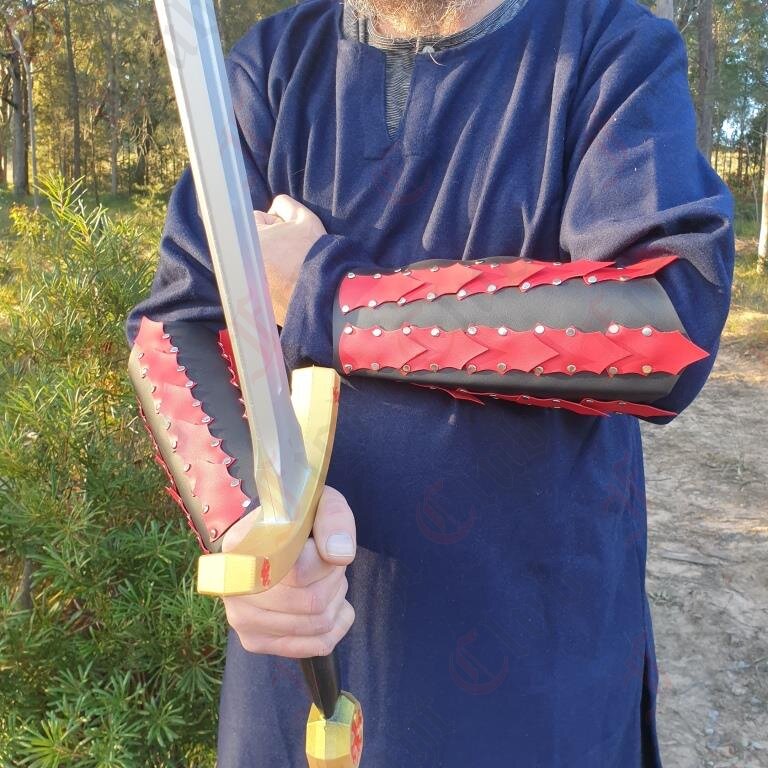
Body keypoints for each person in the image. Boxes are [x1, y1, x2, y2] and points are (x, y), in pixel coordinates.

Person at [126, 0, 734, 764]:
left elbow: (665, 325)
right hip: (303, 650)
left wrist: (328, 297)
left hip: (534, 654)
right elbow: (175, 323)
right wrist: (248, 523)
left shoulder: (610, 47)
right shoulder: (270, 66)